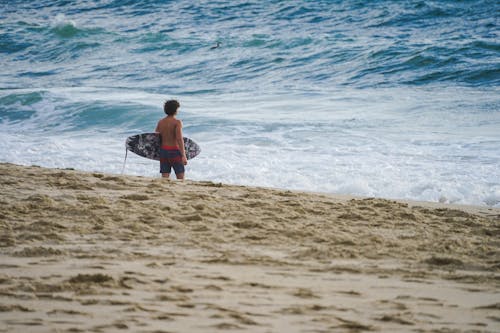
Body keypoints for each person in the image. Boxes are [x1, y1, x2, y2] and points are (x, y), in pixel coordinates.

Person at [155, 99, 187, 179]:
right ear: (175, 110)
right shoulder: (177, 122)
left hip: (163, 152)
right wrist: (183, 155)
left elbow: (156, 136)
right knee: (180, 177)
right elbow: (179, 139)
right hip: (174, 152)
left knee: (165, 177)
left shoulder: (161, 122)